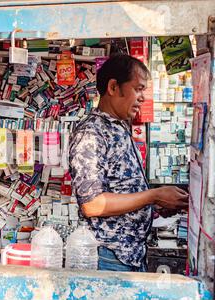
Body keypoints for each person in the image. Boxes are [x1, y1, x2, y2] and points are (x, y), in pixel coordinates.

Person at [69, 54, 189, 272]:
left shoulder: (119, 127)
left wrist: (156, 204)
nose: (143, 97)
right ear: (113, 87)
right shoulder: (91, 132)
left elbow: (121, 188)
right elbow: (92, 204)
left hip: (130, 255)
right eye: (138, 88)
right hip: (109, 257)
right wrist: (153, 195)